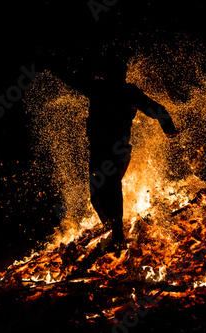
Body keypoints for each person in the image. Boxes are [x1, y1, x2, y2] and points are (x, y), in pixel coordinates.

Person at [41, 54, 179, 250]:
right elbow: (71, 78)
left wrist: (168, 126)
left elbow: (156, 108)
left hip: (117, 150)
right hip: (98, 148)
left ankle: (118, 234)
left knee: (111, 186)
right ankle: (109, 228)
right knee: (96, 195)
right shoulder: (100, 88)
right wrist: (52, 65)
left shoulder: (122, 91)